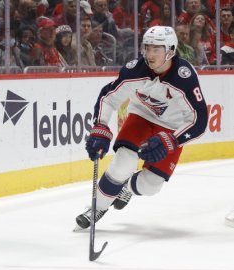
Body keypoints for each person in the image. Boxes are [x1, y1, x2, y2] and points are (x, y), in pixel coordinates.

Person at [75, 26, 208, 230]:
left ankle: (126, 187)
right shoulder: (135, 69)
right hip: (141, 116)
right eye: (147, 48)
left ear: (171, 50)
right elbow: (108, 97)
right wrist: (100, 126)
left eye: (157, 49)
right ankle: (96, 208)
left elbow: (199, 120)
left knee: (151, 186)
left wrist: (172, 139)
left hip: (170, 129)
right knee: (123, 163)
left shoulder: (184, 76)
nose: (150, 54)